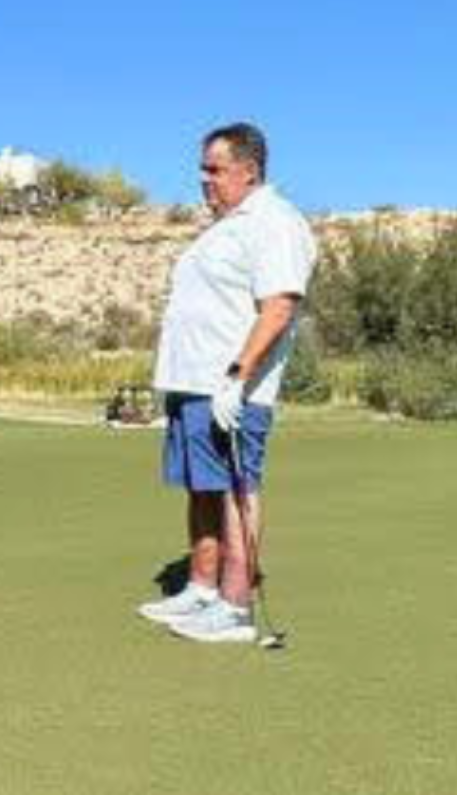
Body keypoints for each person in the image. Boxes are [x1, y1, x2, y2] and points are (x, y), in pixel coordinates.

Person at [139, 124, 316, 643]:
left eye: (214, 169)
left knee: (239, 488)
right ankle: (201, 589)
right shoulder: (224, 227)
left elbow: (280, 306)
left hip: (233, 389)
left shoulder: (274, 222)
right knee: (202, 488)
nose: (204, 180)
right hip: (191, 385)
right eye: (202, 169)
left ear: (249, 170)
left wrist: (237, 378)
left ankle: (235, 607)